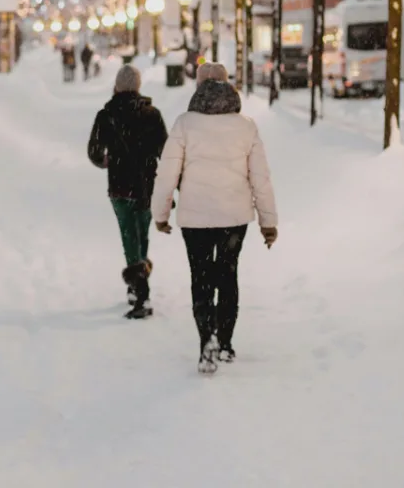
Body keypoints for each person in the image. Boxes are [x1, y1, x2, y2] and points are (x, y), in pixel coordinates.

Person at [151, 62, 278, 373]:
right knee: (228, 275)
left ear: (198, 88)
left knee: (201, 278)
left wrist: (161, 214)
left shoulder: (185, 124)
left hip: (195, 219)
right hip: (234, 217)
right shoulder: (245, 126)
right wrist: (268, 222)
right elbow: (260, 178)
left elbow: (167, 174)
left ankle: (206, 338)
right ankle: (225, 343)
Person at [87, 65, 168, 319]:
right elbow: (165, 151)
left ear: (117, 86)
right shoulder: (152, 114)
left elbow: (94, 151)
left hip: (120, 185)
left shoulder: (107, 115)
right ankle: (137, 284)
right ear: (138, 86)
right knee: (141, 234)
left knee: (129, 236)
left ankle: (141, 294)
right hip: (146, 186)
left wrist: (108, 161)